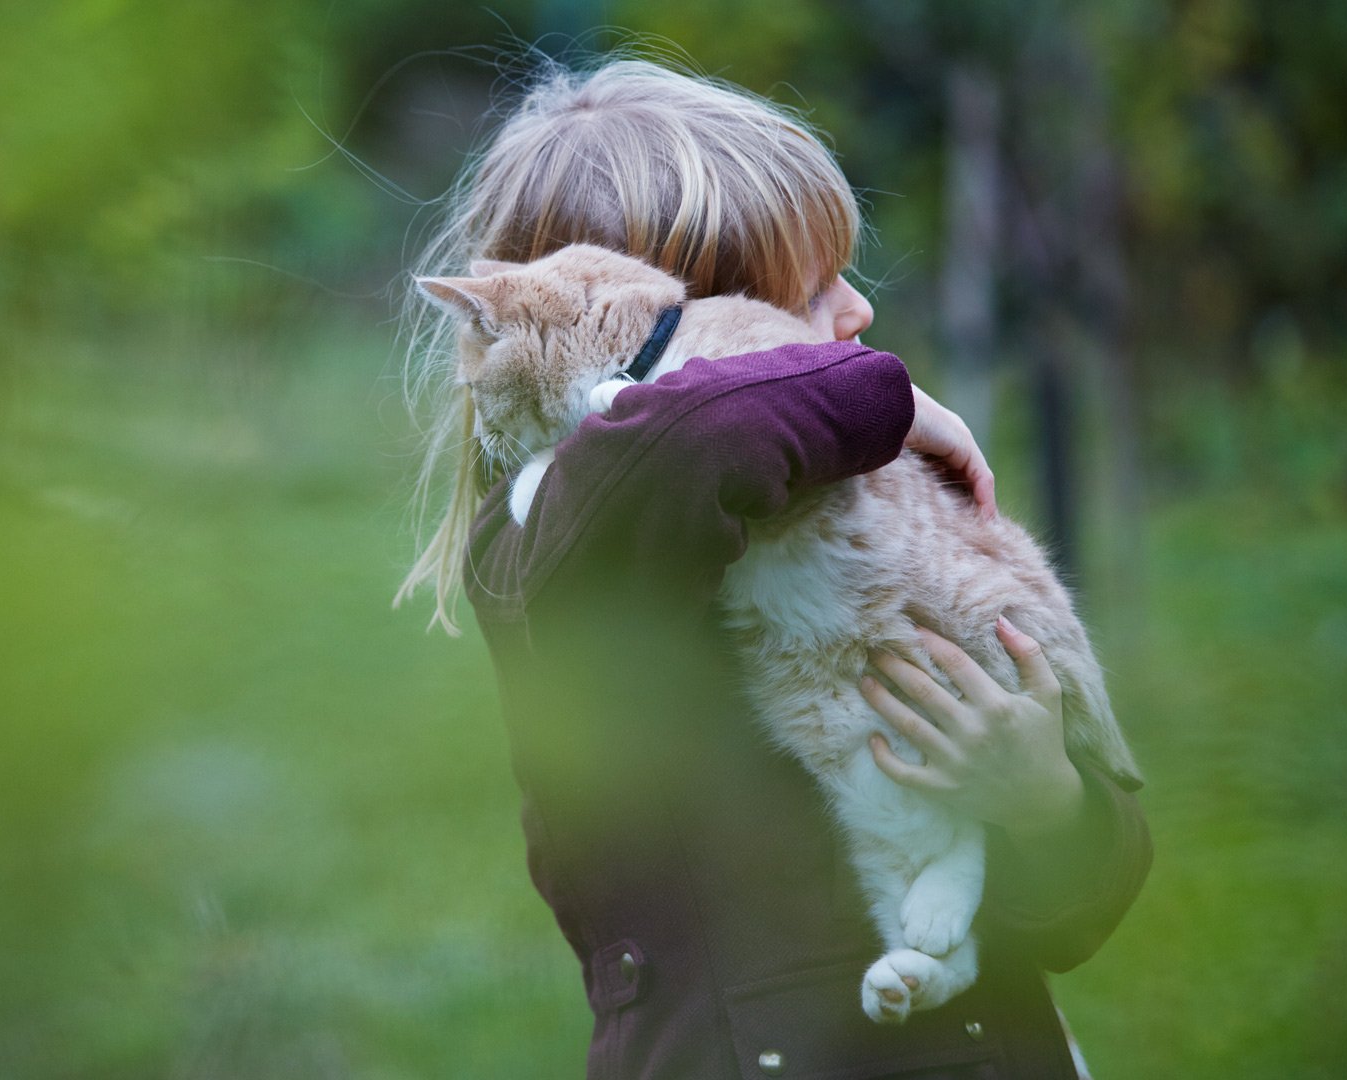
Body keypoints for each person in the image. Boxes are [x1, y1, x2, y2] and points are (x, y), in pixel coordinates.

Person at [398, 59, 1150, 1079]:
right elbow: (685, 444)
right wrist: (883, 399)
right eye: (808, 296)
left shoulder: (868, 524)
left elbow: (1078, 913)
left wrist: (1042, 798)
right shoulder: (546, 552)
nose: (857, 320)